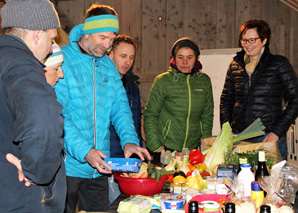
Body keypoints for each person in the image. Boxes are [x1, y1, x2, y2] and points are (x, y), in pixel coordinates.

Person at [54, 4, 151, 212]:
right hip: (68, 167)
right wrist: (86, 151)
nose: (107, 45)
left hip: (100, 168)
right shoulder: (62, 59)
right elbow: (59, 116)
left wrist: (129, 141)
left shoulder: (107, 65)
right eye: (102, 38)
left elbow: (120, 108)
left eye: (112, 39)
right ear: (87, 32)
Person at [0, 0, 66, 212]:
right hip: (21, 195)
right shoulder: (22, 65)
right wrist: (37, 172)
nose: (50, 47)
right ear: (37, 34)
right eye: (51, 38)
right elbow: (42, 122)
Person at [220, 19, 298, 160]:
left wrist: (277, 131)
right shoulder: (235, 65)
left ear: (264, 40)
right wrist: (227, 130)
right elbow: (226, 99)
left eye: (252, 40)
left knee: (272, 181)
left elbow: (296, 99)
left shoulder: (279, 63)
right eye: (244, 40)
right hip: (240, 137)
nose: (247, 45)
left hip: (268, 137)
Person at [144, 37, 214, 161]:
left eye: (190, 57)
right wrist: (156, 147)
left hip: (193, 151)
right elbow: (150, 115)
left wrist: (205, 144)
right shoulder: (163, 81)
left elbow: (207, 116)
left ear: (196, 58)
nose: (185, 62)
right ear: (174, 58)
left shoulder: (204, 81)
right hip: (166, 149)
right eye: (180, 57)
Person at [108, 34, 142, 204]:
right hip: (107, 160)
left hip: (129, 160)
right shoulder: (101, 84)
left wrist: (138, 152)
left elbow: (136, 123)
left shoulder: (132, 87)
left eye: (131, 57)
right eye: (122, 56)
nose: (127, 62)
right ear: (110, 54)